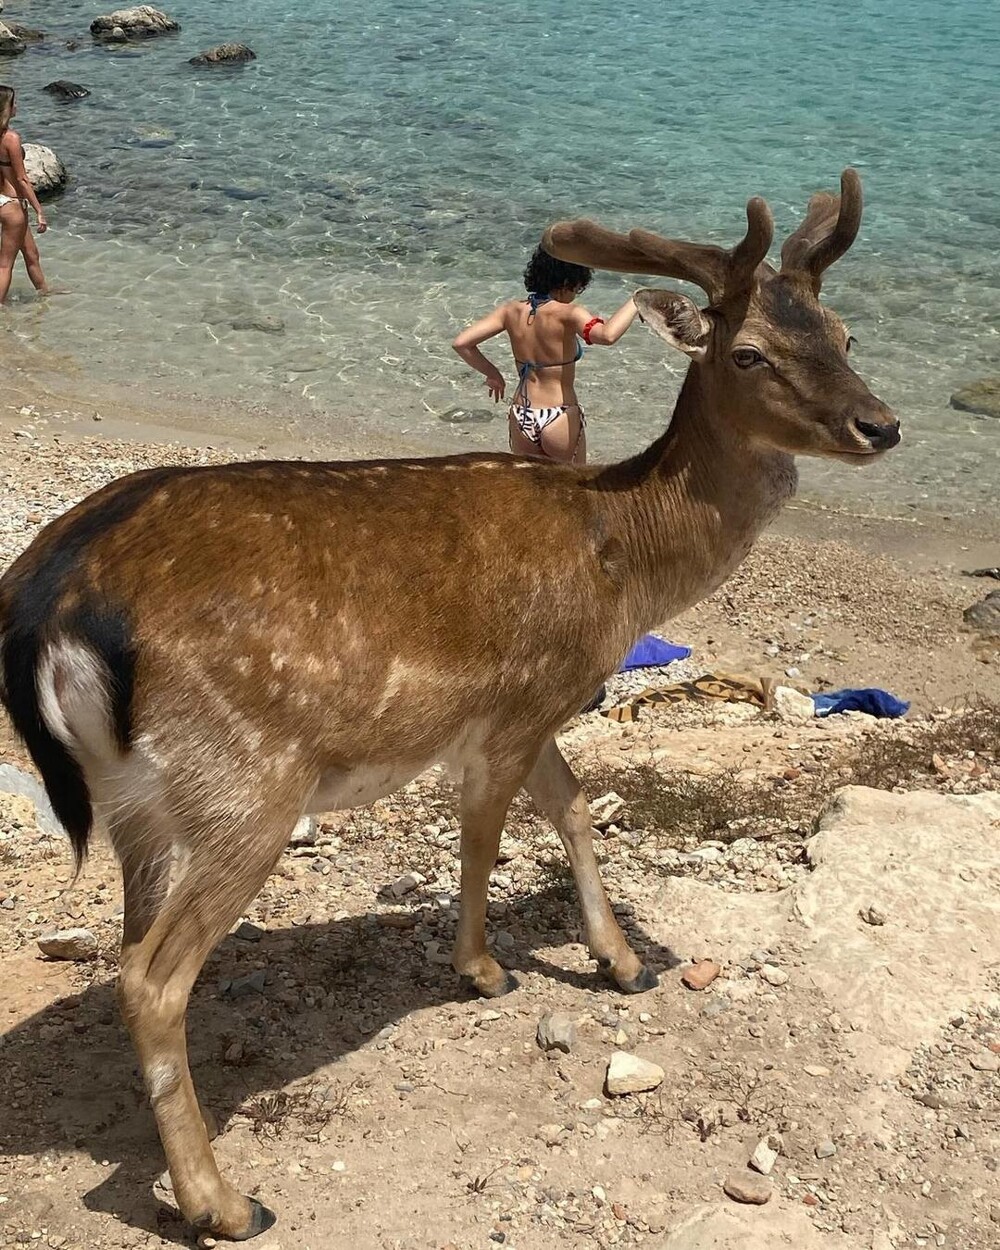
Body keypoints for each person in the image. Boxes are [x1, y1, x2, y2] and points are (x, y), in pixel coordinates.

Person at [452, 246, 638, 464]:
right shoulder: (569, 313)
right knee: (574, 491)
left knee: (529, 491)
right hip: (558, 415)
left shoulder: (510, 310)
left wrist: (494, 375)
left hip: (522, 413)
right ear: (568, 281)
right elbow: (607, 335)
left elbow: (462, 343)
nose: (575, 294)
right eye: (577, 288)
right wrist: (636, 301)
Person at [0, 86, 49, 305]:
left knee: (31, 254)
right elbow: (22, 179)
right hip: (12, 204)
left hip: (2, 200)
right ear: (5, 109)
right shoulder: (11, 138)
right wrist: (39, 210)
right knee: (4, 265)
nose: (16, 107)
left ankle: (44, 293)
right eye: (13, 103)